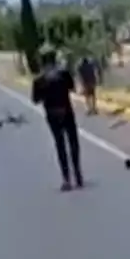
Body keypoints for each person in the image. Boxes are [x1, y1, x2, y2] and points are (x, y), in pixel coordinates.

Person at [30, 49, 84, 191]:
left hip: (52, 114)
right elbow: (72, 88)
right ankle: (78, 174)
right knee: (73, 143)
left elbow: (35, 100)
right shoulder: (63, 73)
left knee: (60, 145)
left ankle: (66, 178)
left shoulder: (39, 79)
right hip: (66, 111)